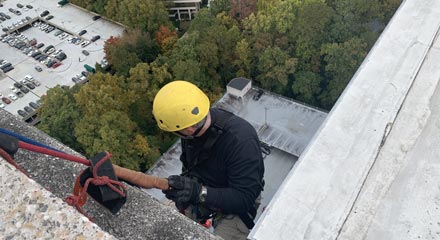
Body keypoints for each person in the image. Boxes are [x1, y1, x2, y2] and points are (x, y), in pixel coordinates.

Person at [152, 80, 265, 240]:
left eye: (176, 131)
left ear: (188, 128)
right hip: (207, 186)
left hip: (238, 200)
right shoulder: (193, 130)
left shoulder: (241, 141)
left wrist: (199, 192)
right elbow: (190, 164)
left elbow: (244, 198)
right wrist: (183, 187)